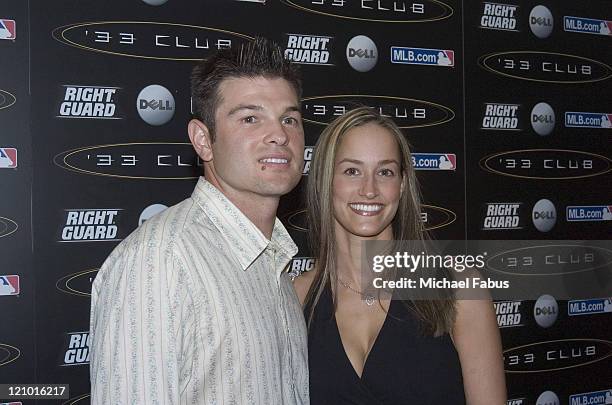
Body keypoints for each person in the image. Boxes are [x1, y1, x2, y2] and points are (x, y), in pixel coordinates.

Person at [90, 38, 309, 404]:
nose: (280, 135)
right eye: (250, 118)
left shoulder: (273, 262)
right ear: (203, 140)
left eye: (289, 118)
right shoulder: (160, 262)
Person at [294, 107, 506, 404]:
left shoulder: (459, 288)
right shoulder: (296, 296)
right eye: (352, 171)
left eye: (385, 172)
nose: (369, 190)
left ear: (402, 184)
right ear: (324, 181)